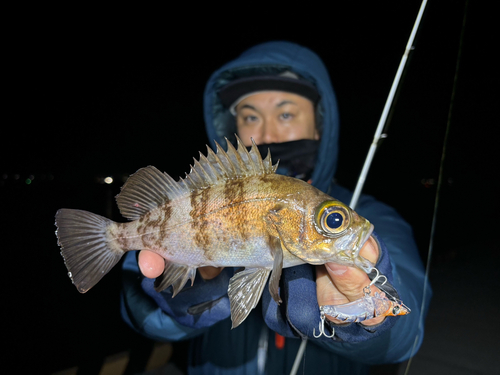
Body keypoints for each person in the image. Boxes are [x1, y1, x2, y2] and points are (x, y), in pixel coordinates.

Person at [120, 41, 431, 374]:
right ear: (233, 127)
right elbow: (137, 312)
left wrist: (364, 315)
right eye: (250, 116)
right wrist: (173, 299)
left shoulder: (376, 213)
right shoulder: (196, 198)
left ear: (319, 126)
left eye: (285, 114)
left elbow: (406, 339)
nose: (267, 132)